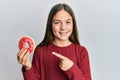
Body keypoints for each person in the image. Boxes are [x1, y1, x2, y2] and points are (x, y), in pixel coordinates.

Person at [17, 3, 92, 80]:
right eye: (57, 23)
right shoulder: (40, 51)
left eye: (68, 22)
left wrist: (71, 68)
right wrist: (28, 67)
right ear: (50, 24)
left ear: (73, 24)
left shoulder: (81, 52)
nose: (63, 27)